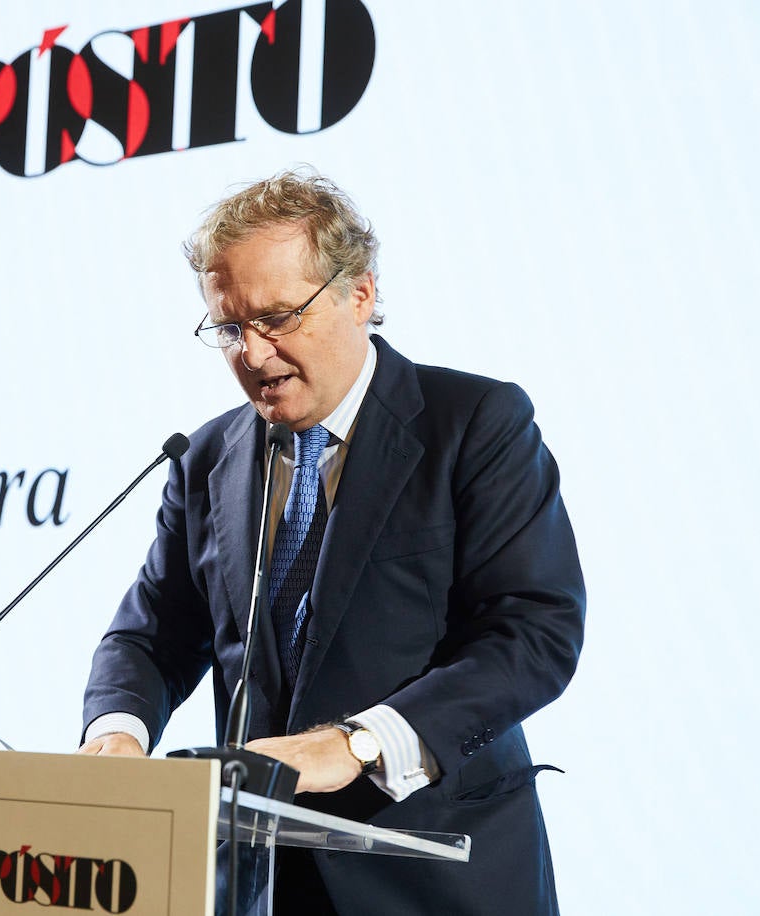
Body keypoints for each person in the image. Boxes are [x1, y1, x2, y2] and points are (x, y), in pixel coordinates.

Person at [80, 169, 585, 915]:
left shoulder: (475, 422)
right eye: (229, 328)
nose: (253, 354)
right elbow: (152, 636)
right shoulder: (206, 459)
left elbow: (534, 633)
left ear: (361, 295)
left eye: (278, 317)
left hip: (435, 876)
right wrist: (117, 735)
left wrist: (357, 743)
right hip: (259, 880)